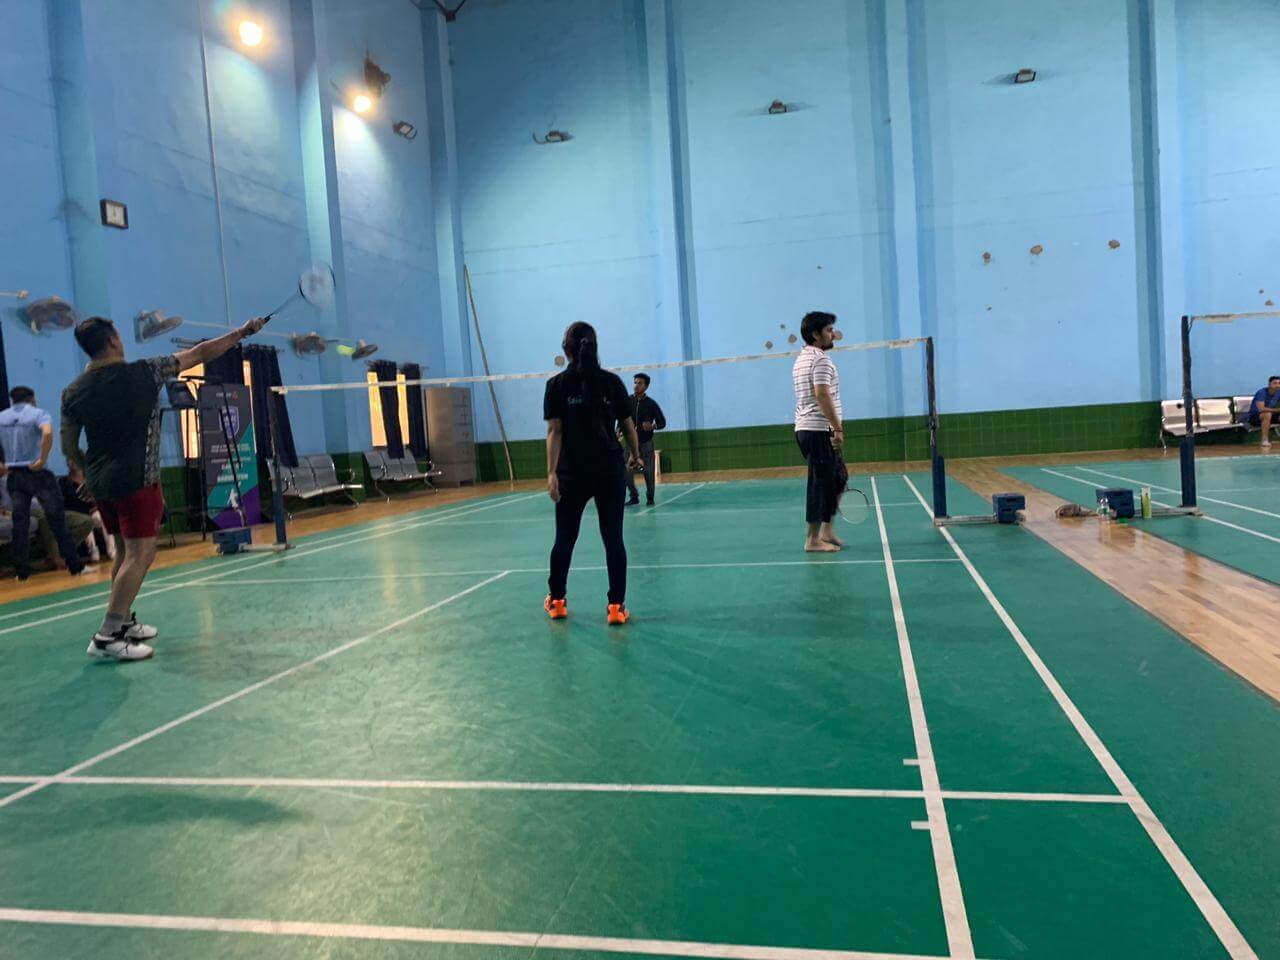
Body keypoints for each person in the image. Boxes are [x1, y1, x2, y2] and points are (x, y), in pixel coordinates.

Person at [62, 314, 266, 661]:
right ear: (113, 340)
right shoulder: (146, 371)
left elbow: (69, 446)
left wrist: (88, 475)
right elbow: (200, 353)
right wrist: (242, 332)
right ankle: (108, 635)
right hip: (138, 480)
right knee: (141, 554)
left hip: (102, 484)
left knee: (124, 552)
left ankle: (123, 620)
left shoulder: (73, 392)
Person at [543, 321, 643, 625]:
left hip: (571, 473)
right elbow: (628, 426)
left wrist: (551, 473)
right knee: (613, 539)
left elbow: (554, 431)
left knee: (564, 539)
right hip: (609, 471)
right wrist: (636, 455)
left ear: (567, 349)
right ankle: (616, 607)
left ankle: (557, 601)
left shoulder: (556, 385)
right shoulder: (612, 383)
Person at [0, 386, 89, 581]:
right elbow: (47, 433)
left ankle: (22, 572)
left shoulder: (2, 418)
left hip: (15, 474)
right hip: (37, 473)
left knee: (20, 523)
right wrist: (42, 458)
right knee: (57, 520)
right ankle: (75, 565)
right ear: (31, 399)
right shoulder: (38, 414)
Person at [792, 311, 848, 553]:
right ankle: (813, 539)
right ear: (816, 334)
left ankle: (826, 531)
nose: (833, 334)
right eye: (828, 330)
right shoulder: (821, 360)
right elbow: (822, 394)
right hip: (817, 430)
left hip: (809, 429)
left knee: (839, 477)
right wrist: (837, 428)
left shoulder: (801, 359)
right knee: (820, 484)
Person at [625, 373, 666, 507]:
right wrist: (619, 429)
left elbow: (662, 422)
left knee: (648, 472)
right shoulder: (627, 401)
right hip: (630, 444)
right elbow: (621, 418)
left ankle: (650, 498)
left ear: (646, 386)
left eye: (640, 383)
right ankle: (634, 496)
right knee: (626, 471)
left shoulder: (651, 404)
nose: (636, 385)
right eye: (635, 383)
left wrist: (653, 426)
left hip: (646, 443)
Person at [1248, 375, 1280, 448]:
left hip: (1270, 416)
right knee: (1267, 414)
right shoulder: (1261, 392)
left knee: (1269, 414)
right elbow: (1261, 409)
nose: (1277, 385)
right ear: (1269, 384)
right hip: (1255, 417)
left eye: (1279, 383)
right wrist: (1277, 410)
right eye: (1275, 383)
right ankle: (1264, 440)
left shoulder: (1279, 392)